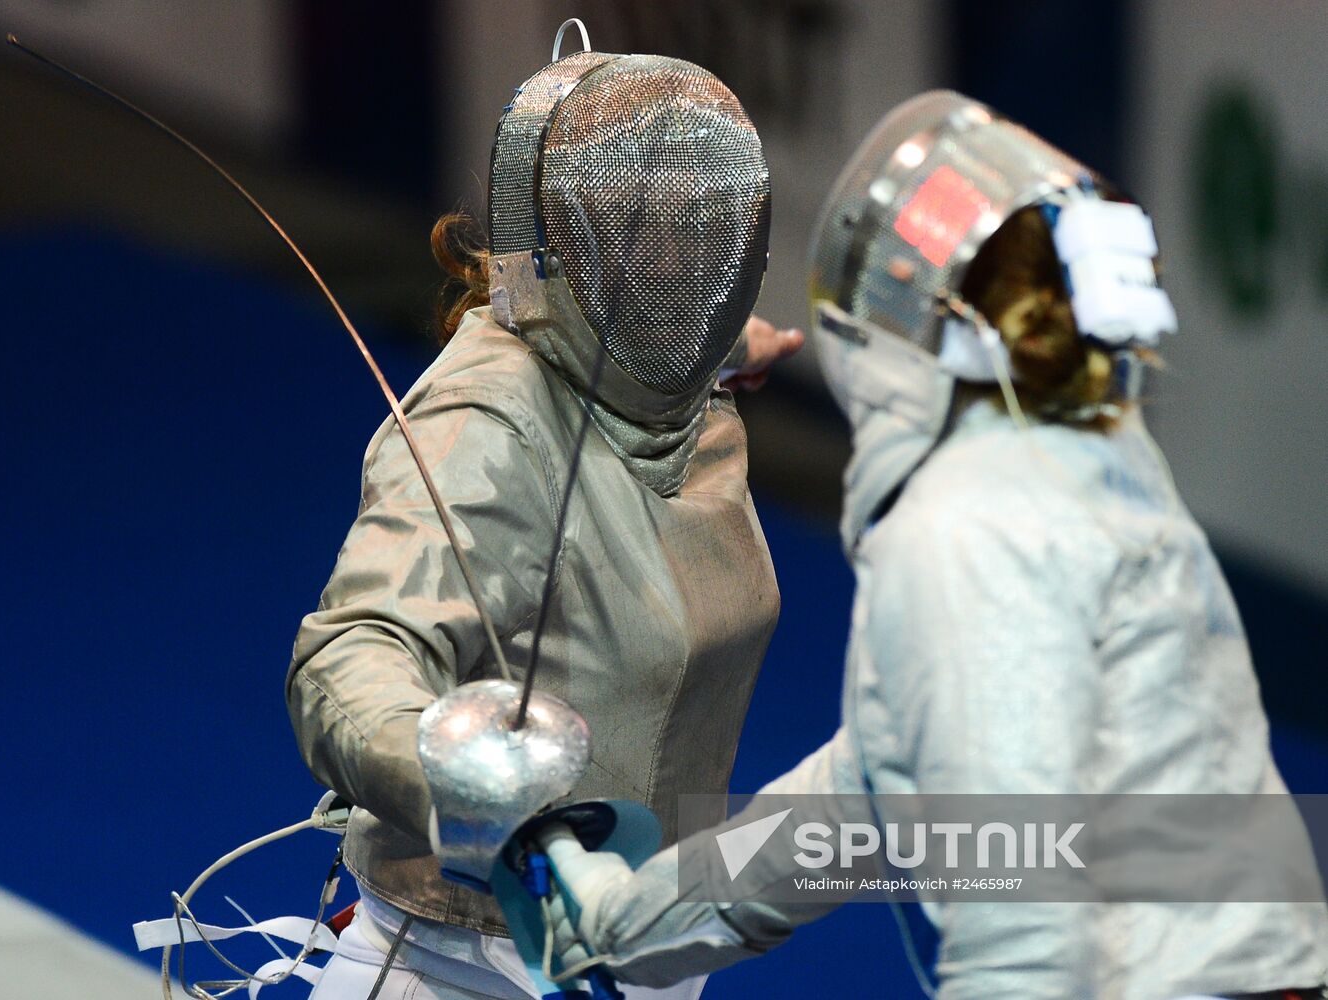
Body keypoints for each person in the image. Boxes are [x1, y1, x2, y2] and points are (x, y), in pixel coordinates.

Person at [534, 91, 1328, 999]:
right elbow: (858, 800)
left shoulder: (961, 533)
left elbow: (1023, 940)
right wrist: (624, 919)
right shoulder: (1089, 456)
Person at [285, 28, 802, 1000]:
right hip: (465, 967)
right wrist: (468, 782)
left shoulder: (677, 371)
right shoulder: (488, 424)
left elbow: (674, 341)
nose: (686, 257)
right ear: (570, 242)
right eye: (652, 231)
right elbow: (348, 658)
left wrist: (733, 352)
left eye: (707, 227)